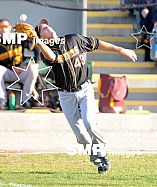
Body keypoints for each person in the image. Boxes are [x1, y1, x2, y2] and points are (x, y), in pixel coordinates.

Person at [34, 18, 137, 174]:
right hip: (66, 95)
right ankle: (98, 162)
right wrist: (39, 43)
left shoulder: (73, 39)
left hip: (85, 89)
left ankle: (102, 154)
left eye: (47, 26)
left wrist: (121, 50)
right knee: (81, 135)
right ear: (41, 38)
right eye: (43, 29)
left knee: (89, 123)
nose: (48, 28)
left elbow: (97, 43)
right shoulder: (46, 52)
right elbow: (53, 58)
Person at [0, 18, 40, 110]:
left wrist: (36, 63)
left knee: (33, 69)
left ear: (10, 27)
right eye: (1, 27)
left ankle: (25, 101)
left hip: (21, 72)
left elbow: (36, 48)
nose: (3, 29)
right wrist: (12, 67)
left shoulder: (18, 38)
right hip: (8, 73)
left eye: (5, 26)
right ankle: (3, 102)